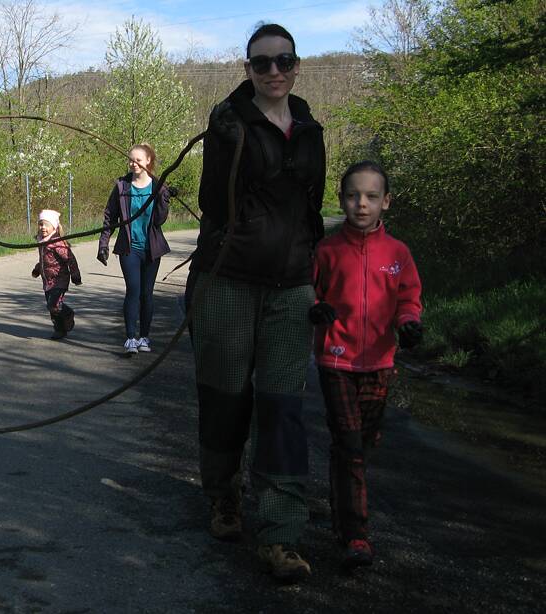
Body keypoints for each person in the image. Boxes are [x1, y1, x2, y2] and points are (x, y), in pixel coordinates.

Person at [188, 23, 325, 582]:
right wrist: (223, 130)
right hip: (228, 281)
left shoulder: (310, 130)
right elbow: (211, 203)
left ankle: (280, 533)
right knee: (226, 398)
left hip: (292, 287)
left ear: (296, 65)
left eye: (283, 61)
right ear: (247, 69)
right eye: (261, 63)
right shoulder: (228, 125)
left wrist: (316, 272)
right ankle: (224, 496)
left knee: (282, 407)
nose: (274, 71)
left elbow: (313, 207)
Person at [311, 161, 423, 569]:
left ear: (385, 202)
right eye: (353, 195)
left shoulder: (398, 253)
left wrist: (409, 323)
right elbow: (310, 291)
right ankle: (355, 534)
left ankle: (342, 499)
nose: (362, 204)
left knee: (362, 441)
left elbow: (408, 298)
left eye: (371, 197)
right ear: (341, 200)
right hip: (335, 360)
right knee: (351, 443)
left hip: (379, 361)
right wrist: (316, 309)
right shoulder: (327, 250)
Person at [97, 143, 171, 354]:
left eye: (138, 160)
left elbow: (159, 220)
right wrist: (104, 243)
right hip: (129, 249)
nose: (133, 163)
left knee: (147, 294)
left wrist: (164, 200)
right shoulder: (122, 187)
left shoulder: (158, 186)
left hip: (151, 250)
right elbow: (110, 216)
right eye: (130, 159)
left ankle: (144, 338)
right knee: (133, 290)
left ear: (148, 161)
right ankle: (130, 338)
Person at [32, 209, 82, 340]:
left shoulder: (57, 242)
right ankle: (60, 329)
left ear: (54, 227)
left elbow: (70, 258)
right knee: (52, 307)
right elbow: (45, 260)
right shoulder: (42, 241)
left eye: (46, 225)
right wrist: (38, 269)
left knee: (54, 305)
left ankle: (68, 314)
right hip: (47, 280)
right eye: (41, 224)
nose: (43, 227)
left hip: (59, 280)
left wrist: (75, 275)